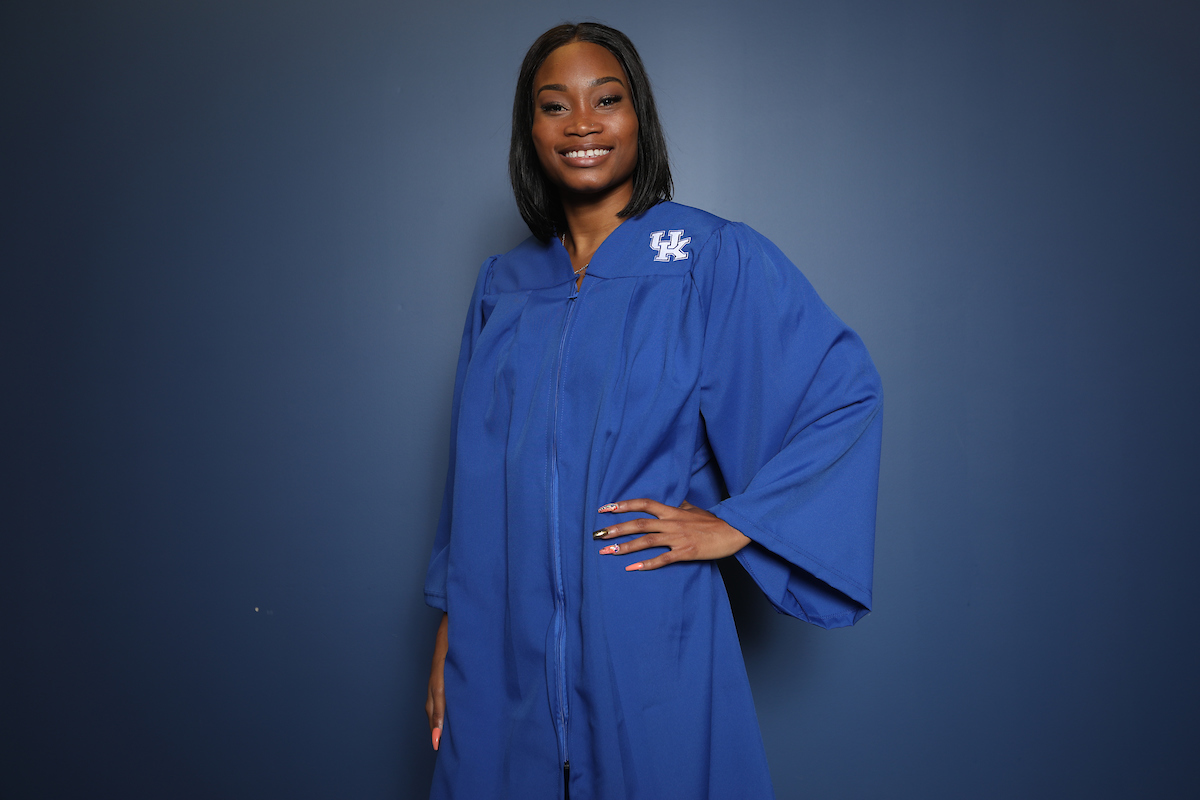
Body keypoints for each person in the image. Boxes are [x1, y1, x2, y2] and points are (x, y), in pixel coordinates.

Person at [423, 22, 882, 800]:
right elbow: (469, 479)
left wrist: (739, 523)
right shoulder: (502, 286)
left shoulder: (707, 258)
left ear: (640, 116)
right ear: (528, 129)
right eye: (552, 105)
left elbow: (841, 395)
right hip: (500, 632)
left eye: (607, 99)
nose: (582, 124)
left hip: (646, 621)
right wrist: (447, 629)